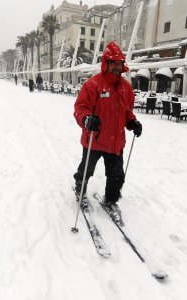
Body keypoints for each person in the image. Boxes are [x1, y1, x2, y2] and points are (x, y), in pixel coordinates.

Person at [73, 41, 142, 209]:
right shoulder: (93, 84)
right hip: (94, 139)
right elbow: (80, 108)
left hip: (115, 141)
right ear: (106, 63)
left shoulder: (126, 87)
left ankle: (111, 201)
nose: (117, 67)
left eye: (120, 63)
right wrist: (87, 119)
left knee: (117, 176)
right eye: (114, 63)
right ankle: (80, 191)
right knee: (86, 170)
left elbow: (127, 111)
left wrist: (132, 121)